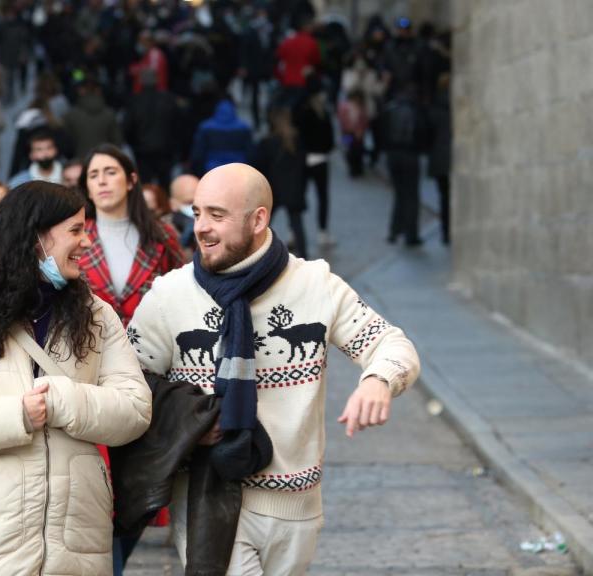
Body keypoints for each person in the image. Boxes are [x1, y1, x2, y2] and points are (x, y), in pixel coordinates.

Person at [126, 162, 420, 575]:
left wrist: (378, 380)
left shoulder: (315, 285)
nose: (201, 228)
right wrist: (191, 418)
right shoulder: (169, 295)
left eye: (217, 215)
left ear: (259, 219)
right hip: (207, 497)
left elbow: (392, 344)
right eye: (196, 213)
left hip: (297, 504)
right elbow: (129, 383)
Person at [0, 180, 152, 575]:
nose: (86, 242)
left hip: (78, 540)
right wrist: (14, 417)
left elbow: (135, 409)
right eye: (75, 230)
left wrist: (66, 401)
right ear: (36, 236)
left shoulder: (97, 316)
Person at [78, 144, 184, 328]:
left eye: (110, 172)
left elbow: (182, 295)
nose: (102, 181)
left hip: (153, 349)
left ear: (131, 180)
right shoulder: (74, 239)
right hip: (92, 350)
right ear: (87, 188)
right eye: (93, 175)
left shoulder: (162, 234)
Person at [379, 86, 428, 246]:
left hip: (394, 155)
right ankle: (410, 234)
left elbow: (381, 131)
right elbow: (422, 133)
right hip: (409, 154)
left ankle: (395, 230)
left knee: (399, 194)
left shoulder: (390, 109)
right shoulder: (414, 111)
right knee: (411, 196)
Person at [258, 106, 309, 258]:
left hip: (274, 189)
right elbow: (304, 167)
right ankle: (304, 256)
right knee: (297, 225)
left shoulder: (268, 142)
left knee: (262, 223)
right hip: (294, 188)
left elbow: (261, 168)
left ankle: (259, 254)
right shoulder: (297, 140)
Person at [296, 83, 336, 248]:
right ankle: (322, 233)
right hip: (320, 159)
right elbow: (331, 141)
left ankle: (294, 231)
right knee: (322, 197)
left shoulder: (300, 112)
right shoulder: (323, 114)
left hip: (303, 159)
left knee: (299, 196)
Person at [123, 69, 179, 188]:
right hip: (164, 150)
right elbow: (178, 126)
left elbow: (127, 128)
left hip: (142, 152)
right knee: (165, 186)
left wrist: (134, 144)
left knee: (145, 186)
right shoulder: (168, 99)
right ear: (157, 81)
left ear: (141, 82)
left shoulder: (135, 101)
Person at [190, 99, 257, 177]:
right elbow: (251, 154)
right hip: (238, 171)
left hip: (211, 171)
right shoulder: (244, 128)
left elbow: (198, 154)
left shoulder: (205, 127)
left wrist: (198, 173)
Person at [62, 81, 122, 162]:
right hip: (105, 160)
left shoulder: (70, 115)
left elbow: (66, 144)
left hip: (80, 161)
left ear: (81, 91)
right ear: (98, 91)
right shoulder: (109, 114)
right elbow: (117, 141)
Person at [427, 75, 452, 244]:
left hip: (439, 158)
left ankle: (445, 232)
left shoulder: (433, 108)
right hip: (451, 157)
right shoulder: (455, 107)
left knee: (444, 197)